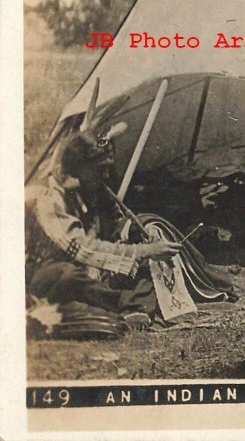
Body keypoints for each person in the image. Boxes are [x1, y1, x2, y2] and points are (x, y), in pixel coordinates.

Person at [25, 129, 182, 328]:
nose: (106, 175)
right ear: (78, 166)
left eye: (108, 168)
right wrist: (142, 251)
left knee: (145, 267)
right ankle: (128, 305)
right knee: (65, 275)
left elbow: (116, 222)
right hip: (51, 274)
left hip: (94, 272)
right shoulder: (46, 197)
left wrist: (138, 235)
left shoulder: (92, 187)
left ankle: (111, 308)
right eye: (101, 169)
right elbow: (80, 247)